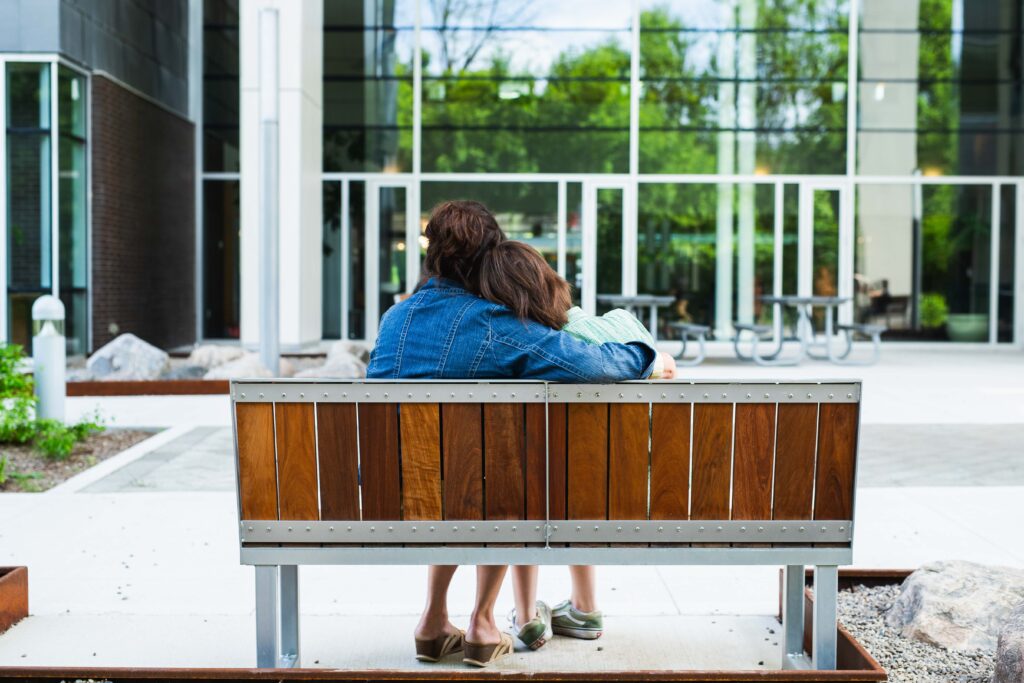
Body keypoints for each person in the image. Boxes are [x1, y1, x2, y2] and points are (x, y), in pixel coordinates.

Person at [367, 200, 672, 667]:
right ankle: (484, 622)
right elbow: (592, 366)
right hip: (472, 498)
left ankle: (432, 619)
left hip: (387, 494)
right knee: (501, 471)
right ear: (490, 253)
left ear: (432, 257)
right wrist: (648, 356)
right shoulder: (495, 325)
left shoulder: (395, 319)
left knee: (448, 470)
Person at [477, 240, 675, 650]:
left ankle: (527, 616)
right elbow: (662, 364)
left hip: (538, 490)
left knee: (520, 493)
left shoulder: (527, 346)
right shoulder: (607, 333)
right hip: (626, 488)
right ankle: (585, 607)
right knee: (583, 474)